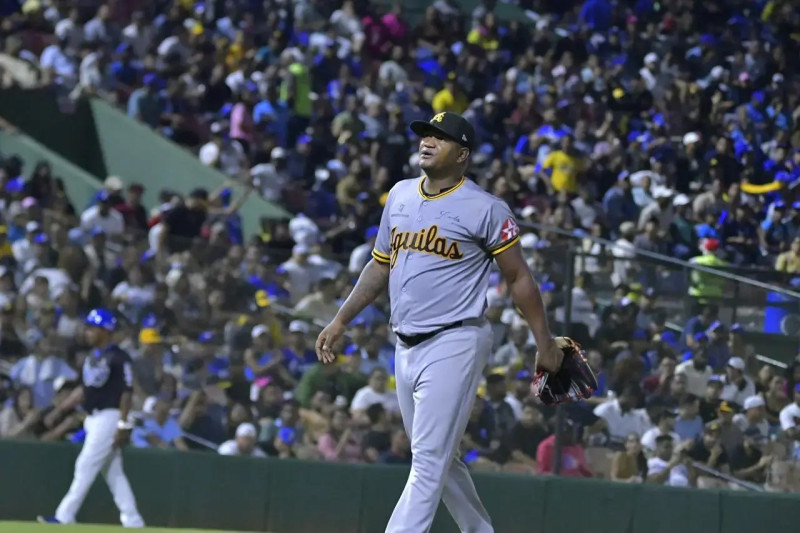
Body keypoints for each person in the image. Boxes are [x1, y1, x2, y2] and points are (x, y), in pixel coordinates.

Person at [316, 112, 563, 533]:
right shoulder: (399, 195)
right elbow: (379, 266)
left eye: (441, 137)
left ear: (462, 154)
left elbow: (519, 277)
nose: (427, 142)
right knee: (437, 456)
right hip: (405, 344)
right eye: (426, 134)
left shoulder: (485, 208)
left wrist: (544, 342)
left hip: (456, 339)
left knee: (427, 460)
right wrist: (341, 319)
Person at [38, 309, 145, 527]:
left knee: (85, 464)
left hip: (110, 416)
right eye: (87, 328)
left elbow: (126, 392)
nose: (87, 332)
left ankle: (64, 516)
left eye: (92, 328)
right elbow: (84, 390)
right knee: (113, 473)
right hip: (94, 417)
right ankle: (133, 521)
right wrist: (59, 411)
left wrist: (123, 424)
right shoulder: (93, 356)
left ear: (105, 330)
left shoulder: (118, 357)